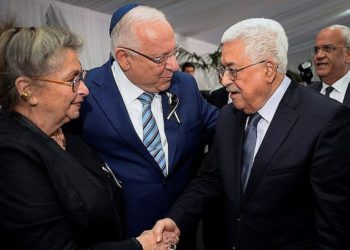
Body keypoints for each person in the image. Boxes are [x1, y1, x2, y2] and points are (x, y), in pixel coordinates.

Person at [154, 18, 350, 250]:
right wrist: (176, 219)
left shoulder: (326, 120)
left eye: (233, 70)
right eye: (223, 69)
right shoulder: (228, 116)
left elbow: (335, 223)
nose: (225, 80)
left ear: (268, 69)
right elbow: (210, 178)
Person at [0, 21, 179, 250]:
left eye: (82, 76)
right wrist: (139, 246)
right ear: (28, 89)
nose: (84, 89)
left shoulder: (69, 132)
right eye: (72, 80)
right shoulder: (11, 156)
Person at [75, 4, 218, 250]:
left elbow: (223, 130)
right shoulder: (84, 93)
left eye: (174, 52)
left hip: (180, 234)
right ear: (124, 58)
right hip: (122, 239)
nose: (173, 65)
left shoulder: (184, 86)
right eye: (160, 58)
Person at [308, 24, 350, 107]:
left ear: (348, 55)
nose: (319, 56)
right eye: (316, 50)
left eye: (327, 48)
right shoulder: (306, 94)